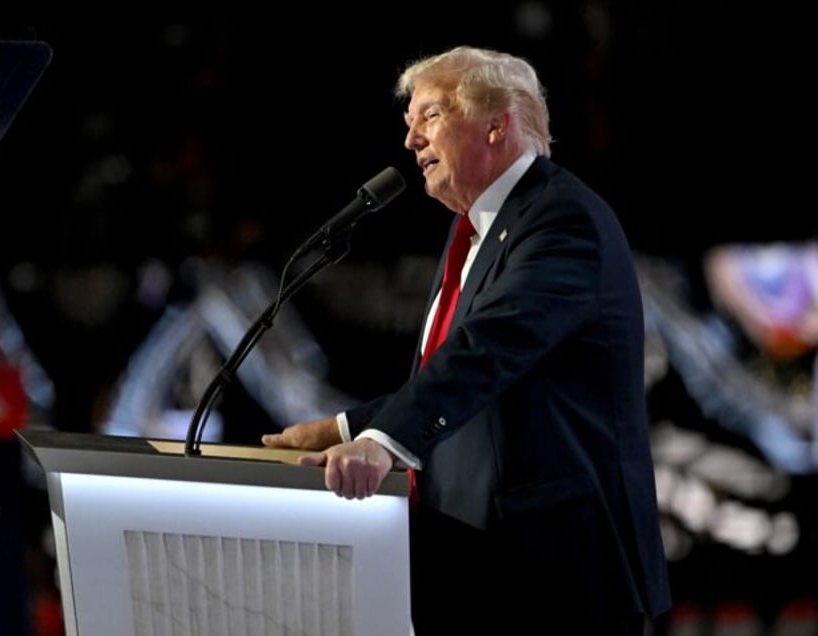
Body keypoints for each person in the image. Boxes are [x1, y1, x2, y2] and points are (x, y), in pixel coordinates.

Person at [262, 45, 672, 634]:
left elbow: (488, 350)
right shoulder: (474, 230)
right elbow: (470, 387)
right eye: (409, 124)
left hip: (557, 576)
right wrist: (345, 429)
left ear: (497, 124)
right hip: (480, 564)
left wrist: (382, 443)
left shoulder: (561, 219)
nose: (410, 142)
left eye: (429, 116)